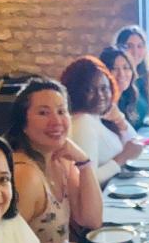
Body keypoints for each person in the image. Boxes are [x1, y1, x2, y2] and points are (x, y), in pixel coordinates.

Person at [6, 77, 103, 243]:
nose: (56, 121)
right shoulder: (25, 175)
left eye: (61, 111)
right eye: (43, 113)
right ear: (23, 124)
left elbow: (92, 219)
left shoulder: (62, 162)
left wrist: (84, 163)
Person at [60, 56, 143, 185]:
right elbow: (87, 180)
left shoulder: (98, 117)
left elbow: (136, 144)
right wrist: (122, 158)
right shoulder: (83, 122)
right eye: (90, 90)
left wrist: (120, 120)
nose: (100, 95)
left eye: (104, 88)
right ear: (75, 92)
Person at [114, 25, 149, 122]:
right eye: (129, 46)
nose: (135, 51)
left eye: (140, 46)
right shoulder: (120, 79)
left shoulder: (143, 77)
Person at [101, 45, 149, 130]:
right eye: (114, 68)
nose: (121, 74)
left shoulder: (127, 96)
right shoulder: (102, 104)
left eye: (126, 68)